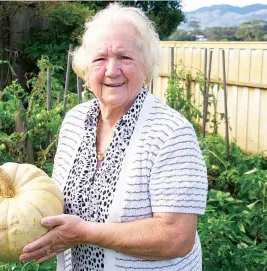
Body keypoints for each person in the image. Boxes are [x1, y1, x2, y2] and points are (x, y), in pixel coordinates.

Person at [19, 3, 208, 270]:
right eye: (99, 59)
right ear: (85, 67)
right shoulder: (74, 121)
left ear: (146, 64)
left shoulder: (171, 133)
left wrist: (84, 232)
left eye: (124, 57)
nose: (111, 70)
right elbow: (58, 201)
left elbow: (176, 237)